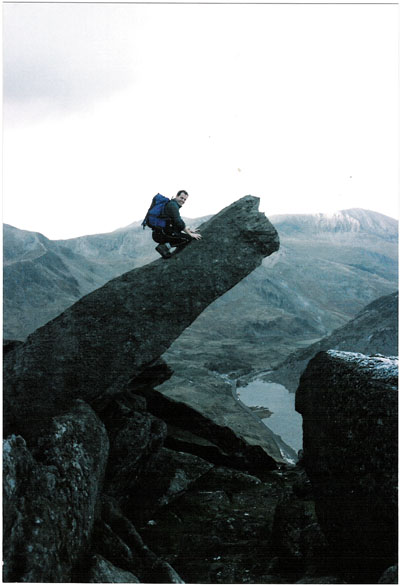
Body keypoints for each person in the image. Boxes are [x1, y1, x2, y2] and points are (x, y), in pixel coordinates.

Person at [152, 190, 202, 258]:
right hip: (162, 234)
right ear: (177, 196)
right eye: (181, 198)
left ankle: (165, 245)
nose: (183, 201)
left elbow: (175, 222)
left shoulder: (172, 204)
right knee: (188, 238)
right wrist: (190, 234)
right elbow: (179, 222)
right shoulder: (173, 205)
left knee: (184, 235)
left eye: (185, 199)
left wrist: (188, 230)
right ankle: (164, 247)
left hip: (160, 232)